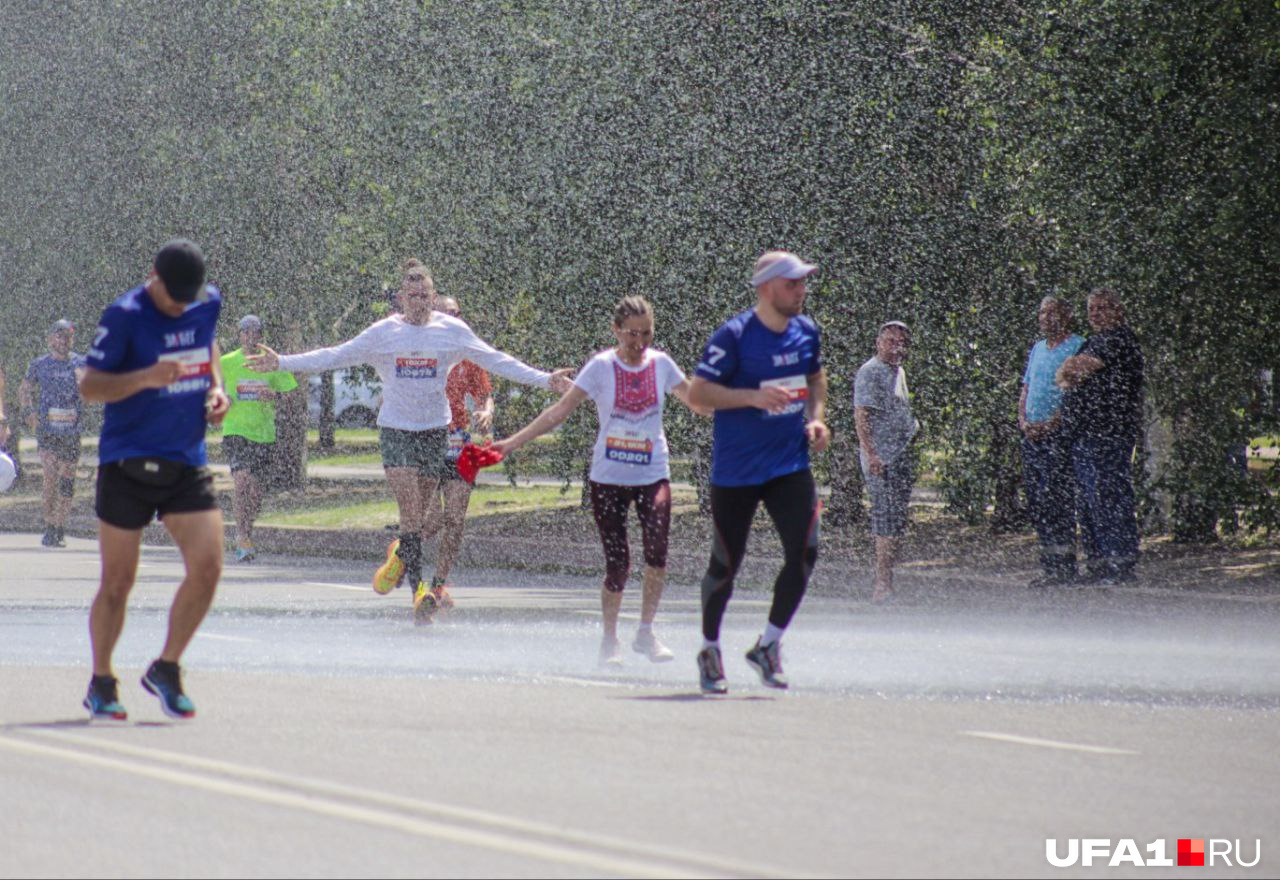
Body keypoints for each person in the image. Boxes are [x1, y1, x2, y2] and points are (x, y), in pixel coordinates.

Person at [248, 259, 571, 625]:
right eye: (412, 295)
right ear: (402, 298)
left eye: (425, 295)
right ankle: (420, 593)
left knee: (420, 516)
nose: (418, 301)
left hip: (436, 430)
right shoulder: (384, 333)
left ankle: (401, 553)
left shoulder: (452, 331)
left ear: (433, 298)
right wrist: (282, 363)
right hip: (397, 430)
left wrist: (547, 380)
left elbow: (497, 360)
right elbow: (335, 355)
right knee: (411, 511)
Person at [494, 296, 705, 666]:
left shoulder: (662, 365)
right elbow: (559, 412)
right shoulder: (600, 367)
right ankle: (610, 639)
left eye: (646, 334)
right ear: (616, 331)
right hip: (607, 477)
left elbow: (700, 404)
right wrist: (512, 443)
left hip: (653, 472)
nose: (639, 343)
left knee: (657, 552)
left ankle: (645, 631)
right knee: (618, 563)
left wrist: (748, 398)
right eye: (631, 335)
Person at [78, 239, 231, 721]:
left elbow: (207, 341)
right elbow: (89, 386)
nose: (181, 307)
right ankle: (102, 681)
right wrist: (146, 377)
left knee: (207, 568)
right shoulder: (124, 315)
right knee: (119, 582)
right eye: (173, 299)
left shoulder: (204, 301)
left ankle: (166, 667)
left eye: (188, 298)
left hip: (185, 459)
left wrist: (217, 388)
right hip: (127, 460)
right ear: (153, 278)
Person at [686, 251, 829, 693]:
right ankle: (710, 649)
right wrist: (751, 398)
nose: (801, 290)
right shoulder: (733, 336)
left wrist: (816, 417)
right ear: (766, 288)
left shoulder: (807, 331)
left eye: (804, 282)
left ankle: (768, 645)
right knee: (726, 565)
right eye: (792, 284)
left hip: (789, 464)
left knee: (805, 552)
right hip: (737, 471)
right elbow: (698, 394)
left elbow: (816, 379)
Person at [1056, 287, 1144, 584]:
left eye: (1103, 308)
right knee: (1089, 502)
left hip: (1108, 433)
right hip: (1085, 434)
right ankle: (1098, 565)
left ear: (1118, 311)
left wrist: (1069, 371)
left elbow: (1073, 369)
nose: (1095, 313)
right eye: (1092, 308)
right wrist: (1068, 372)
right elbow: (1066, 374)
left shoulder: (1118, 339)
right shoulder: (1094, 341)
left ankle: (1120, 564)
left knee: (1109, 497)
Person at [416, 296, 495, 607]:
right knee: (432, 521)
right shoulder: (424, 351)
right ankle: (402, 554)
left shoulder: (468, 356)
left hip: (459, 443)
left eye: (457, 313)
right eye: (447, 313)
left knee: (456, 519)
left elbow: (485, 394)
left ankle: (438, 585)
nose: (453, 318)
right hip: (427, 441)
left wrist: (486, 411)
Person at [219, 314, 298, 562]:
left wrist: (273, 394)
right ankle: (242, 537)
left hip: (264, 435)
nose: (250, 336)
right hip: (235, 430)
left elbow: (291, 394)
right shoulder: (227, 362)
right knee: (241, 482)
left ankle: (247, 531)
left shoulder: (270, 363)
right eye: (246, 332)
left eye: (255, 332)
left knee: (255, 492)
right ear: (239, 334)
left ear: (261, 336)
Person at [1018, 297, 1085, 586]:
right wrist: (1023, 422)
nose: (1045, 317)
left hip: (1058, 436)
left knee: (1058, 499)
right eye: (1041, 312)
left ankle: (1065, 568)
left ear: (1067, 315)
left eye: (1051, 312)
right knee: (1038, 501)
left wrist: (1052, 423)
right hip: (1031, 435)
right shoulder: (1037, 348)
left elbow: (1076, 394)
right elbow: (1026, 388)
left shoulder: (1078, 346)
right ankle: (1049, 567)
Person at [853, 321, 919, 603]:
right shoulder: (870, 372)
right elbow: (861, 416)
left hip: (900, 454)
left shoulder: (898, 371)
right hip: (882, 458)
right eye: (890, 341)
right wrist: (872, 455)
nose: (896, 347)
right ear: (878, 343)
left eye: (900, 342)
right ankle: (882, 585)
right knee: (885, 519)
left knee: (896, 520)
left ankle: (888, 581)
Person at [19, 319, 87, 547]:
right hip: (48, 431)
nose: (63, 340)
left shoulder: (80, 363)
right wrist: (28, 411)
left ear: (72, 339)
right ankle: (49, 525)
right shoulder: (39, 364)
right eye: (59, 336)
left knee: (67, 479)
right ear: (50, 339)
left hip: (71, 432)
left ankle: (60, 526)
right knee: (50, 476)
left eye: (67, 336)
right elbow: (25, 389)